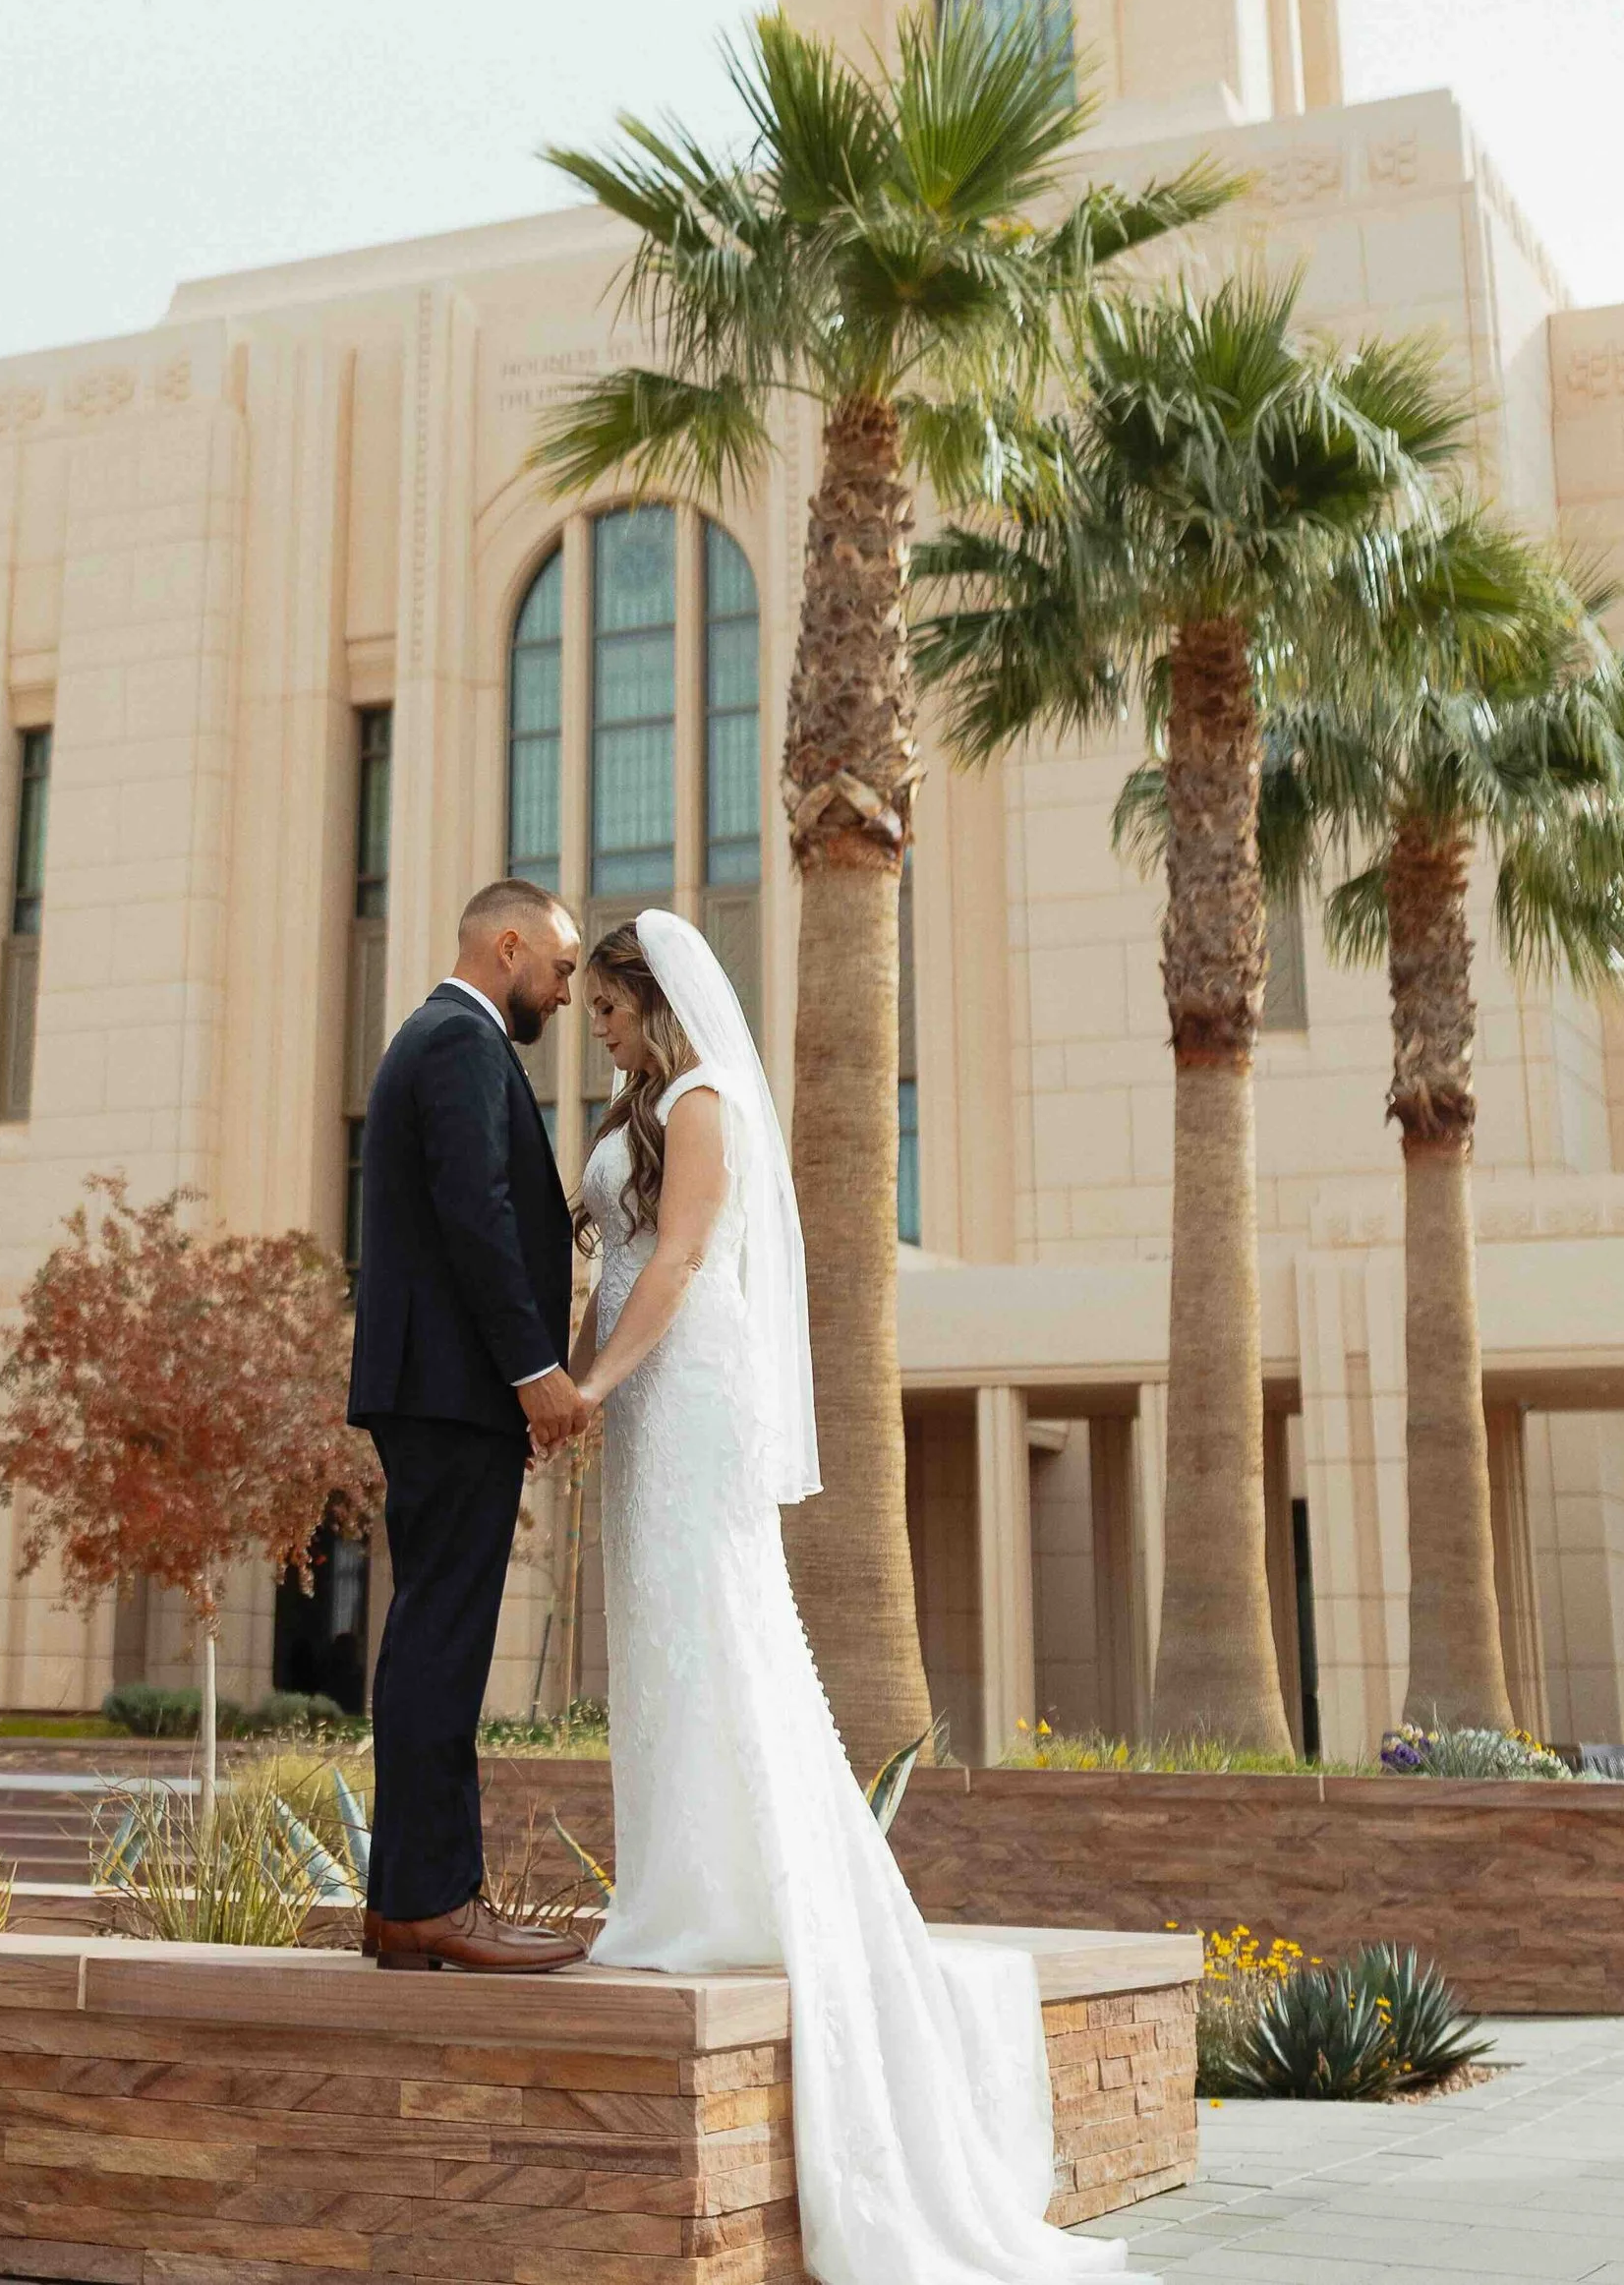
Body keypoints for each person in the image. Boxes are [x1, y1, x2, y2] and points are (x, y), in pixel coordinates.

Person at [572, 910, 1145, 2283]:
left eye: (606, 1007)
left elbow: (684, 1257)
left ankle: (729, 1895)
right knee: (657, 1642)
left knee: (714, 1621)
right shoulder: (637, 1104)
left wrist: (595, 1381)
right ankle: (673, 1882)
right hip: (633, 1395)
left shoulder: (704, 1100)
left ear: (654, 1001)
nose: (595, 1028)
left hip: (683, 1382)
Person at [347, 875, 593, 1972]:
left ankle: (409, 1902)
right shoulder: (456, 1041)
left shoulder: (447, 1041)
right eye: (563, 967)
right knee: (441, 1642)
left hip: (439, 1388)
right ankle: (432, 1903)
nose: (569, 992)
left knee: (429, 1640)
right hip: (453, 1391)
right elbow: (474, 1212)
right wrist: (535, 1369)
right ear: (509, 947)